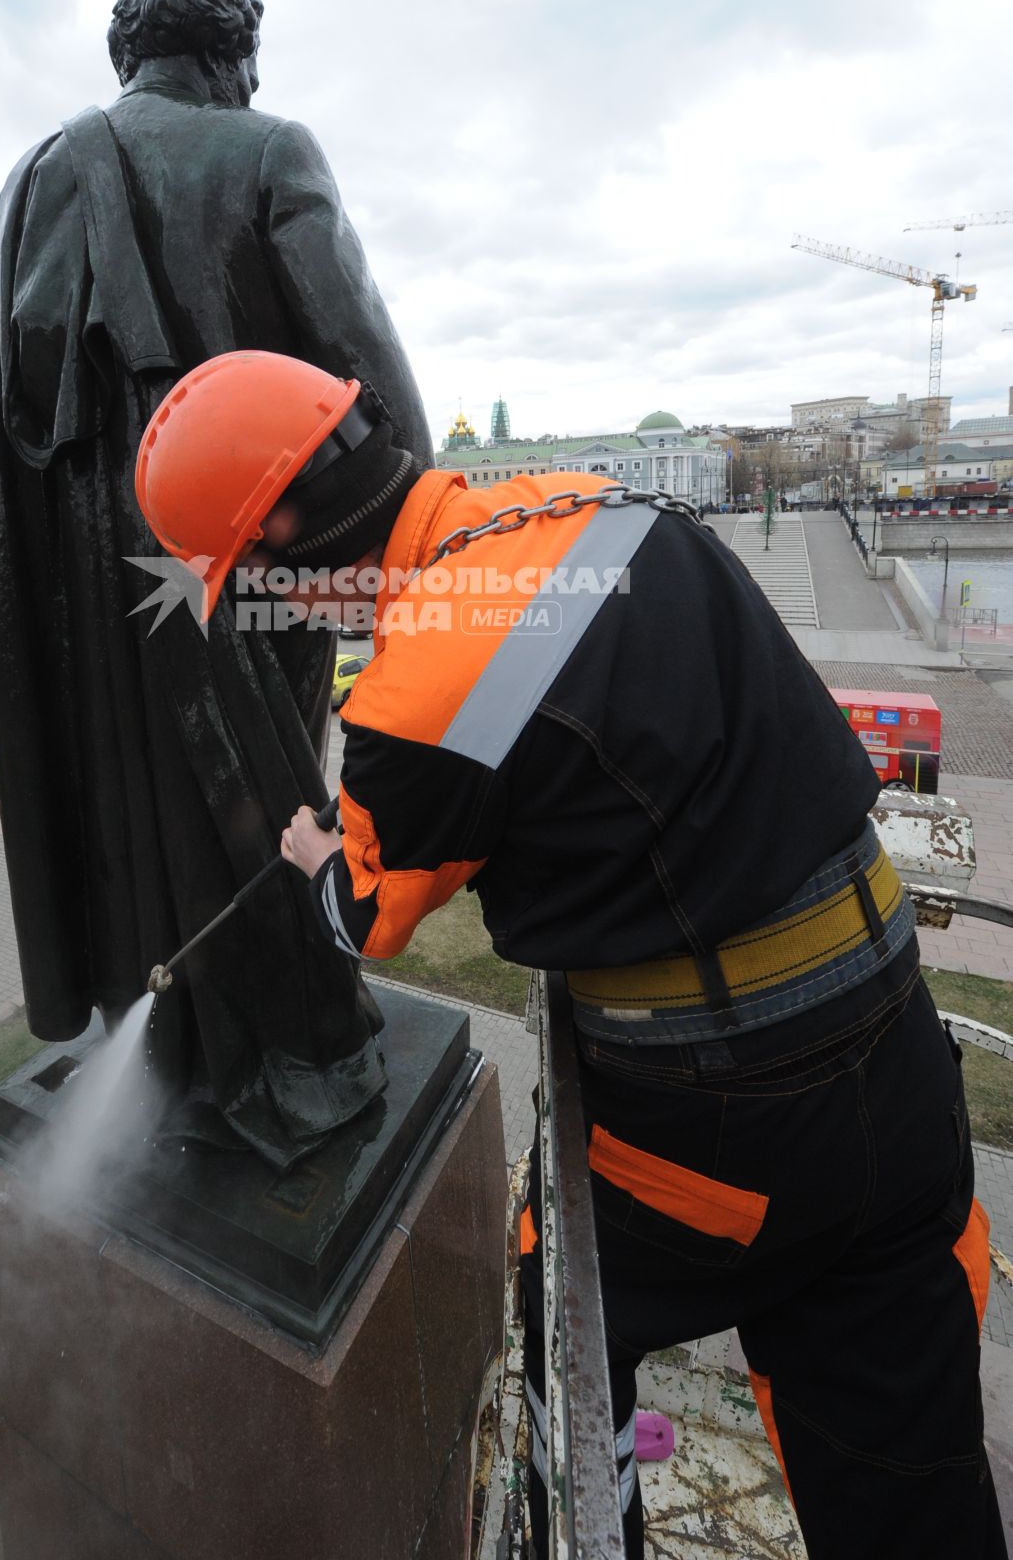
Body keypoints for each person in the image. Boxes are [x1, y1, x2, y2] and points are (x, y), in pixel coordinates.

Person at [135, 350, 1005, 1558]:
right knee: (907, 1477)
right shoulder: (603, 507)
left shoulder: (408, 701)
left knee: (562, 1312)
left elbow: (364, 920)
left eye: (254, 586)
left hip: (716, 1125)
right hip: (895, 1049)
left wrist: (307, 858)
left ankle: (595, 1526)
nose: (281, 616)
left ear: (286, 529)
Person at [0, 0, 431, 1169]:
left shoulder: (27, 182)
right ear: (229, 56)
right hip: (239, 549)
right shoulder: (269, 150)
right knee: (255, 796)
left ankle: (167, 1037)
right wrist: (410, 517)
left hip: (84, 583)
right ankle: (298, 1056)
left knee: (128, 800)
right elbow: (357, 352)